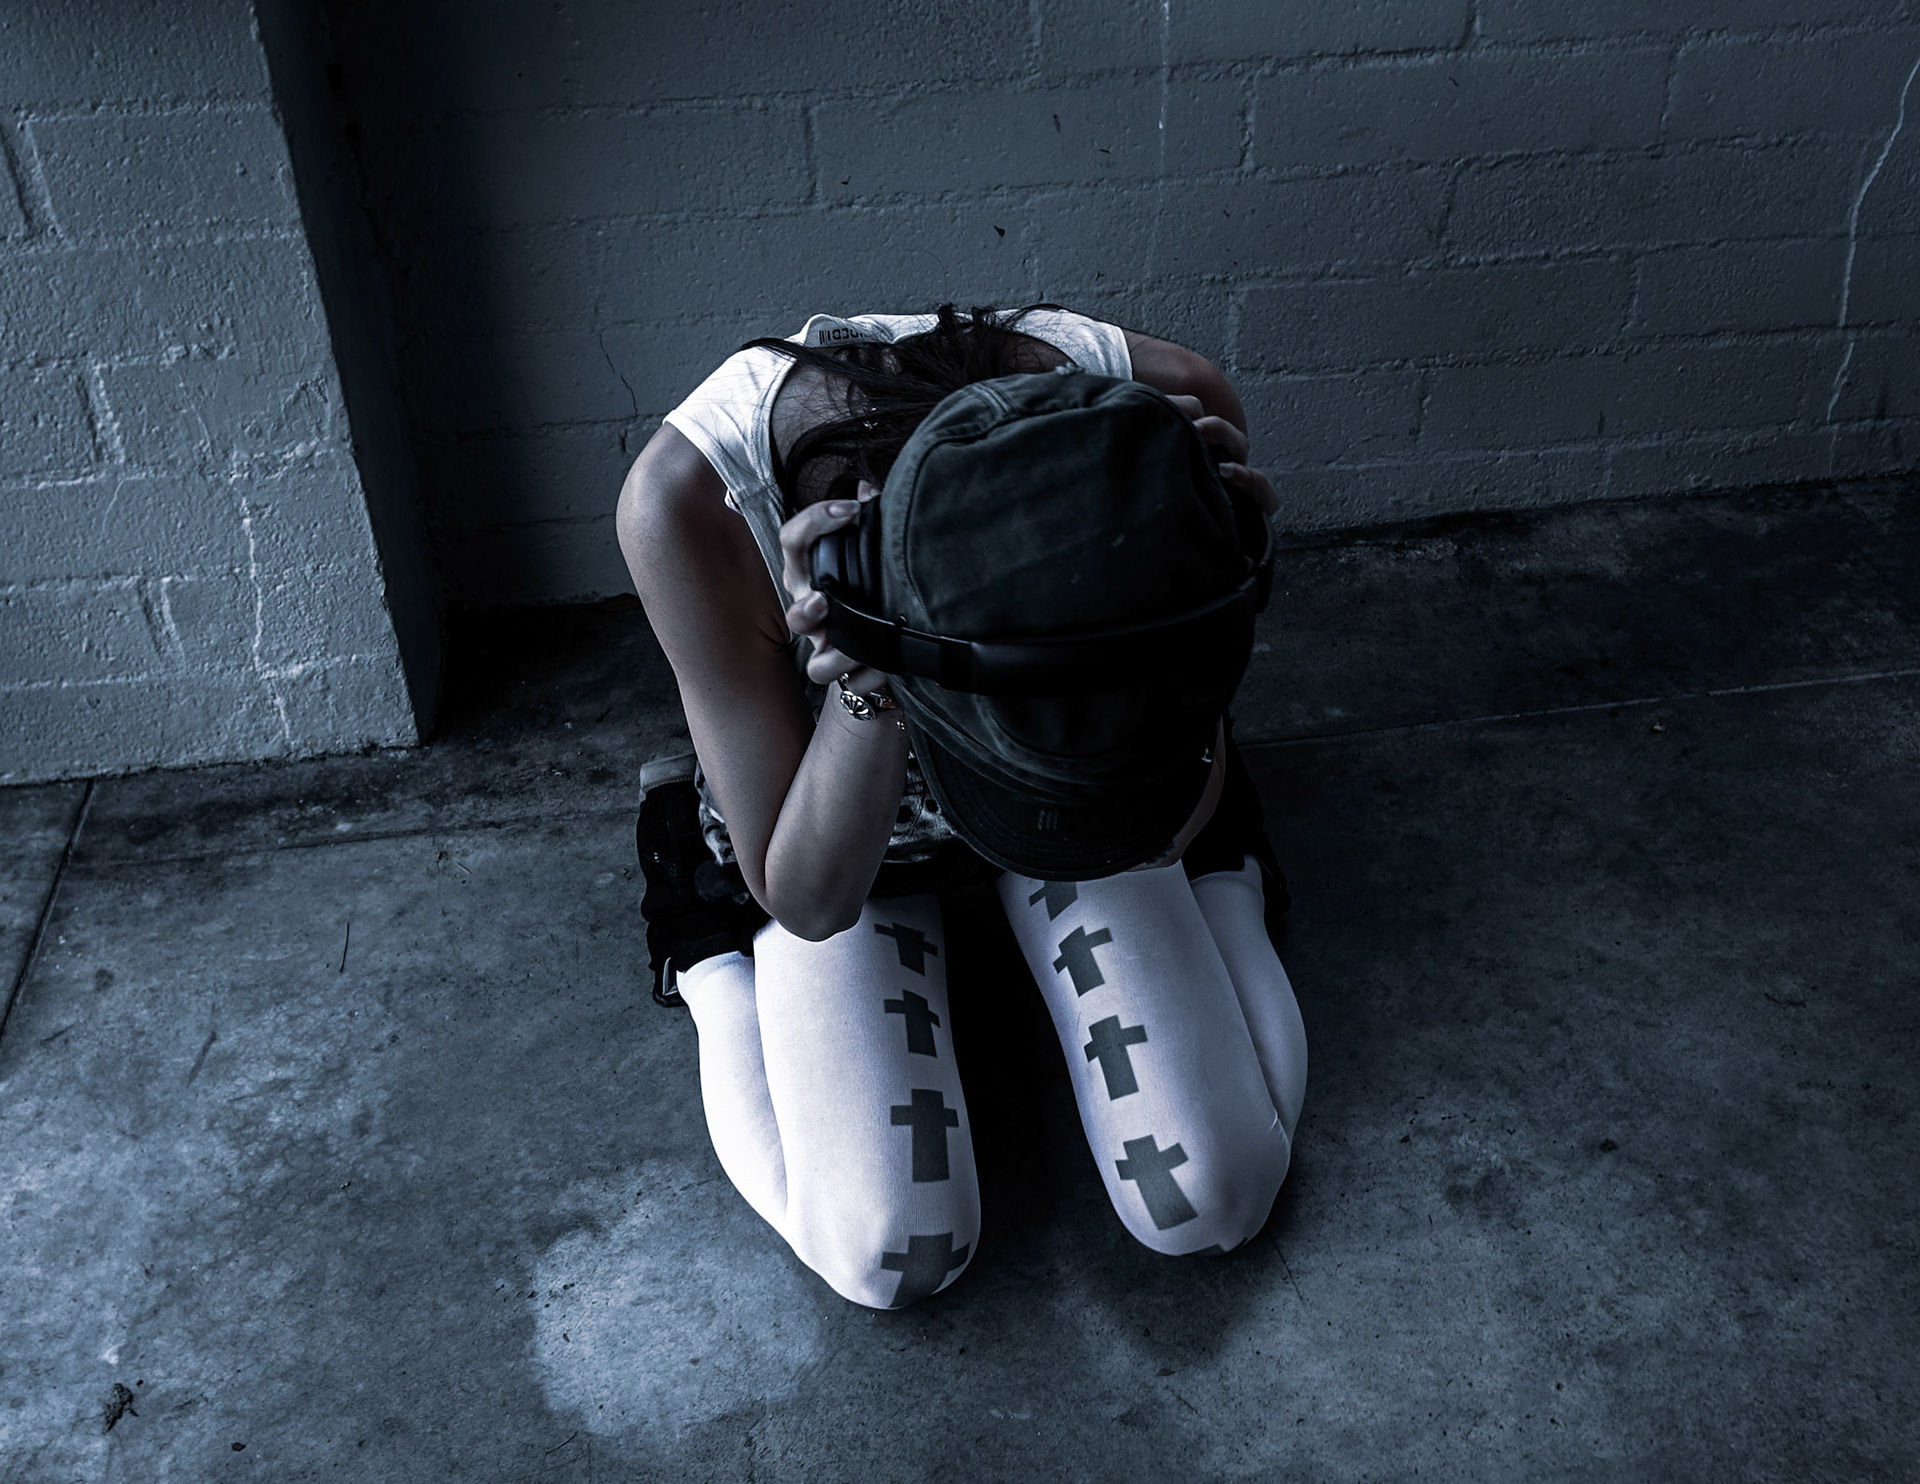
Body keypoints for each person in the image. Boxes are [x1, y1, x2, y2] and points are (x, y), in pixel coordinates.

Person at [617, 304, 1308, 1310]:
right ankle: (705, 949)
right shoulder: (691, 500)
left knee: (1212, 1196)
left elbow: (1166, 810)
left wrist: (1212, 585)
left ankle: (1227, 874)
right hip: (849, 823)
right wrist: (866, 666)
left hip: (1077, 780)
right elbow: (811, 898)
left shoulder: (1170, 403)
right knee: (890, 1251)